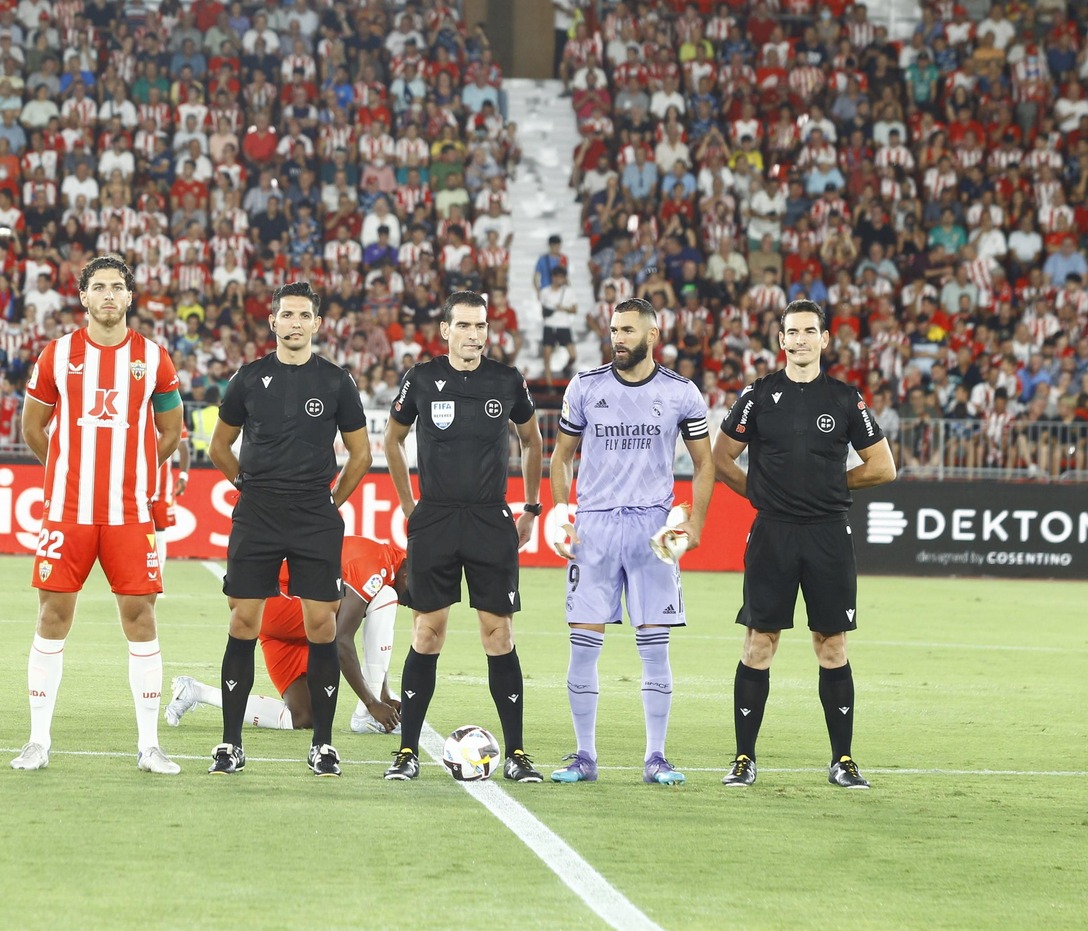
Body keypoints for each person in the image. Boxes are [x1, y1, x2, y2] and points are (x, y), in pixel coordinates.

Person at [712, 300, 897, 789]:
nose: (800, 340)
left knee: (831, 645)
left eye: (809, 331)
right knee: (759, 643)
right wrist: (759, 492)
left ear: (824, 339)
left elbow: (883, 466)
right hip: (772, 532)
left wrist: (833, 486)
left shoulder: (845, 398)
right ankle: (744, 759)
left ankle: (843, 760)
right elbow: (721, 457)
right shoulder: (757, 395)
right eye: (792, 332)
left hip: (828, 534)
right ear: (781, 340)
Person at [14, 256, 185, 774]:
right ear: (83, 296)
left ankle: (149, 746)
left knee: (142, 618)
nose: (108, 295)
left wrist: (136, 472)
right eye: (99, 287)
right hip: (68, 512)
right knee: (52, 616)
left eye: (117, 287)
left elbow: (170, 431)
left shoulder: (153, 357)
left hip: (129, 514)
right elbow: (33, 428)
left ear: (130, 297)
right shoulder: (57, 354)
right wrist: (68, 469)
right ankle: (37, 741)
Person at [546, 298, 716, 786]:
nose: (617, 338)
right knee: (583, 647)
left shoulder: (681, 393)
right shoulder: (585, 386)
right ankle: (584, 756)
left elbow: (705, 463)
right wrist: (561, 513)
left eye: (627, 330)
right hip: (595, 529)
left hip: (652, 532)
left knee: (655, 648)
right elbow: (561, 457)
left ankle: (656, 757)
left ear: (652, 335)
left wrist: (696, 523)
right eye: (614, 329)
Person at [206, 281, 372, 777]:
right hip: (257, 513)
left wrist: (330, 502)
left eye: (303, 316)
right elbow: (219, 446)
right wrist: (248, 486)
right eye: (286, 315)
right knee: (243, 623)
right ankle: (230, 745)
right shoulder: (248, 378)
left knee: (322, 626)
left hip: (313, 516)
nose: (294, 323)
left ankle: (323, 746)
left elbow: (361, 455)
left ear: (317, 324)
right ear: (273, 321)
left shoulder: (337, 381)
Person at [380, 290, 545, 782]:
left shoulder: (506, 380)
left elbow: (532, 439)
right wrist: (410, 506)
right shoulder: (421, 378)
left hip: (490, 519)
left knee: (499, 635)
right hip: (436, 518)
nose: (475, 334)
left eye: (481, 326)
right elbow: (392, 439)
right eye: (466, 325)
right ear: (446, 330)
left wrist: (531, 507)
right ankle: (407, 752)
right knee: (426, 635)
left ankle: (516, 754)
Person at [165, 535, 407, 734]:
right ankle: (365, 717)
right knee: (385, 597)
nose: (413, 604)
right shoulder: (375, 567)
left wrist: (383, 694)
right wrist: (371, 702)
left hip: (287, 626)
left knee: (303, 716)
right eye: (417, 597)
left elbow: (370, 635)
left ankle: (196, 691)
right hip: (285, 606)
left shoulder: (384, 562)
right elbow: (341, 641)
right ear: (408, 575)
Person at [150, 421, 190, 570]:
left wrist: (183, 476)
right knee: (133, 531)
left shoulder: (172, 414)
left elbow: (184, 448)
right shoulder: (135, 412)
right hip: (136, 487)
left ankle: (157, 576)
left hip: (161, 490)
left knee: (160, 531)